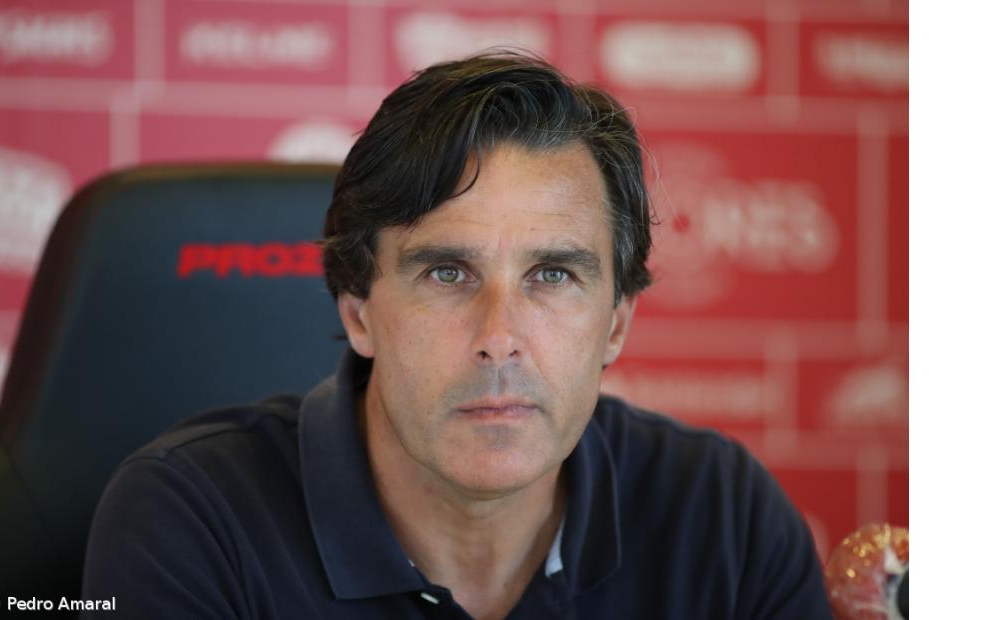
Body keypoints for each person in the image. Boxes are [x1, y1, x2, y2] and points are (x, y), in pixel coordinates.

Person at [82, 51, 832, 619]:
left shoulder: (726, 522)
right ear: (357, 311)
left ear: (616, 323)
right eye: (447, 272)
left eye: (552, 275)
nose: (499, 337)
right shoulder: (193, 520)